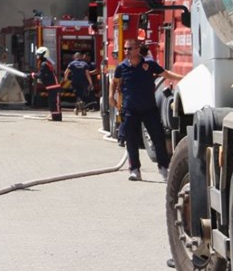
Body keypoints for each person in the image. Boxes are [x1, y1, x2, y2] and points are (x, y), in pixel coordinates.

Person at [110, 40, 183, 181]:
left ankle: (163, 168)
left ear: (137, 49)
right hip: (130, 109)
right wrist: (110, 96)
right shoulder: (122, 67)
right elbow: (115, 81)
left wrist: (183, 78)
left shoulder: (149, 65)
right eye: (125, 49)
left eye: (130, 48)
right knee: (131, 141)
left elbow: (165, 74)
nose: (126, 51)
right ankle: (135, 170)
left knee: (158, 138)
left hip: (149, 108)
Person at [35, 48, 62, 121]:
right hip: (51, 87)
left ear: (44, 54)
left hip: (54, 86)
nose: (37, 56)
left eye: (39, 54)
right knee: (52, 102)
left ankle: (57, 118)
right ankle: (54, 117)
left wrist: (31, 75)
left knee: (55, 103)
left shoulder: (45, 64)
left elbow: (41, 75)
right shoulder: (45, 63)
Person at [66, 52, 94, 116]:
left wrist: (66, 79)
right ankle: (81, 109)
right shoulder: (85, 64)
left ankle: (78, 108)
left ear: (75, 57)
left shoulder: (72, 63)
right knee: (81, 95)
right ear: (81, 57)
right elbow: (87, 74)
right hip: (83, 82)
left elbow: (66, 72)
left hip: (74, 82)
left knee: (77, 95)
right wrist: (91, 83)